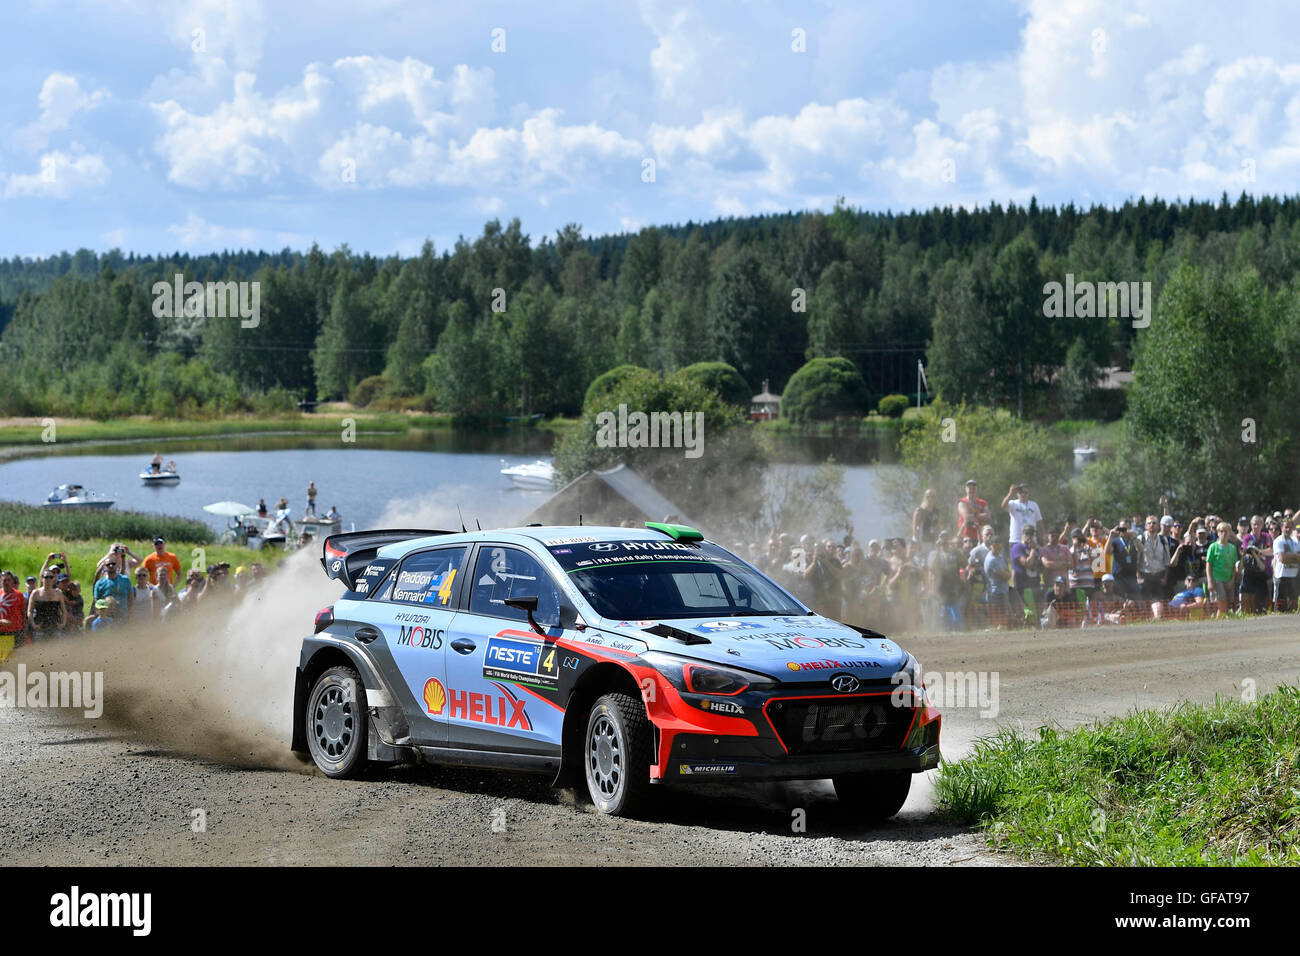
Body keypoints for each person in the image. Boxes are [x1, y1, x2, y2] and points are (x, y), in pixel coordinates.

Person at [1009, 526, 1043, 627]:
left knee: (1037, 612)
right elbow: (1027, 563)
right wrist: (1033, 550)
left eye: (1032, 534)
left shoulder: (1036, 549)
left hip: (1035, 584)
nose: (1029, 536)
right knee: (1028, 613)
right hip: (1023, 586)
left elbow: (1040, 568)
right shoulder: (1018, 547)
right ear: (1022, 534)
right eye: (1027, 533)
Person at [1205, 521, 1239, 616]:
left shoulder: (1232, 548)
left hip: (1228, 579)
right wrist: (1210, 581)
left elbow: (1234, 566)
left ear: (1229, 533)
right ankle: (1217, 624)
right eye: (1221, 531)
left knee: (1229, 603)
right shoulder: (1213, 547)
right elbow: (1208, 564)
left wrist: (1232, 580)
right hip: (1217, 579)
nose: (1223, 534)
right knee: (1221, 604)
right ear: (1218, 533)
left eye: (1226, 531)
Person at [27, 568, 67, 639]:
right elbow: (30, 611)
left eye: (51, 577)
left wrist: (63, 623)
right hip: (40, 628)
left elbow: (64, 611)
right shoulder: (36, 593)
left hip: (55, 628)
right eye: (46, 577)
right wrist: (33, 624)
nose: (48, 579)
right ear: (42, 578)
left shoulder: (58, 593)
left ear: (53, 579)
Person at [1274, 517, 1300, 612]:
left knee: (1293, 606)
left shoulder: (1296, 541)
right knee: (1281, 607)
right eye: (1286, 527)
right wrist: (1295, 557)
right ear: (1281, 527)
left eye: (1289, 527)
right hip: (1282, 576)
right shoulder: (1279, 541)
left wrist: (1290, 557)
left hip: (1294, 576)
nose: (1287, 529)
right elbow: (1282, 559)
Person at [983, 537, 1012, 623]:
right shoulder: (991, 560)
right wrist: (1007, 574)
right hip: (995, 594)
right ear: (991, 546)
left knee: (1006, 617)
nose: (998, 547)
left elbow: (1007, 571)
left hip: (1003, 591)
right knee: (998, 619)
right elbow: (1006, 576)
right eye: (995, 545)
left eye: (999, 545)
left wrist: (1007, 574)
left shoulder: (1000, 557)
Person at [0, 571, 29, 645]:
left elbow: (24, 614)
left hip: (17, 632)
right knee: (3, 656)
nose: (6, 582)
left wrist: (24, 631)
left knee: (18, 654)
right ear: (1, 581)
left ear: (12, 581)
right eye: (4, 580)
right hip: (2, 632)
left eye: (9, 580)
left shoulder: (19, 595)